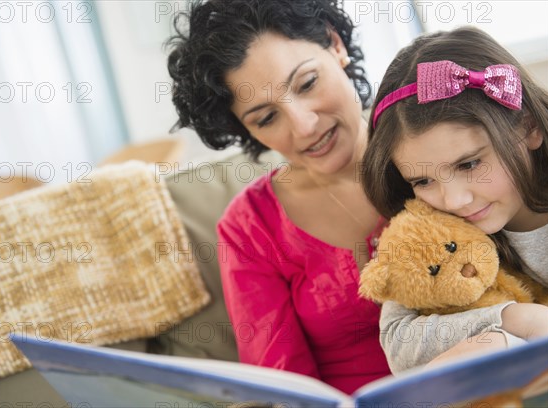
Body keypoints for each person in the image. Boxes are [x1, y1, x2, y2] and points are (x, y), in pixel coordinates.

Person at [167, 0, 391, 393]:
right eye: (266, 118)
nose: (303, 127)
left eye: (306, 83)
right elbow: (285, 389)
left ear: (334, 44)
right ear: (245, 129)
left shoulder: (434, 140)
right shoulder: (250, 227)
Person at [362, 26, 548, 373]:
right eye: (423, 180)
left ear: (528, 128)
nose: (454, 200)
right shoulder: (427, 227)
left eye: (469, 163)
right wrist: (513, 319)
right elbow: (398, 344)